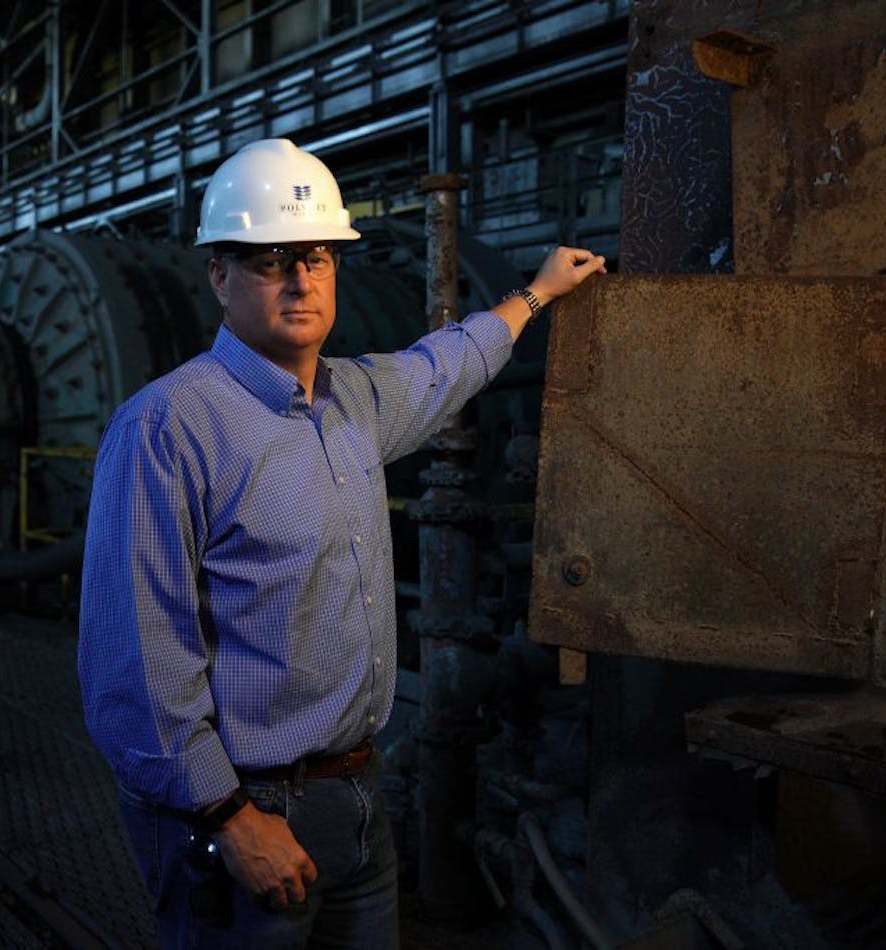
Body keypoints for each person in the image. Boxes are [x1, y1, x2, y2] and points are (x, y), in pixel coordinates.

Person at [77, 138, 605, 948]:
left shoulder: (354, 398)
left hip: (359, 798)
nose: (299, 280)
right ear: (219, 276)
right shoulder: (169, 428)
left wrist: (536, 295)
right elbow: (135, 662)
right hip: (244, 814)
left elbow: (444, 365)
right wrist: (229, 817)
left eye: (317, 258)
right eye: (270, 260)